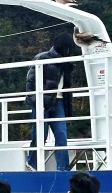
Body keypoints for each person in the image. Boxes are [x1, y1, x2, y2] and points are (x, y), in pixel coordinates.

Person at [25, 31, 78, 172]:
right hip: (43, 101)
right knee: (39, 134)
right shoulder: (42, 58)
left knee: (61, 134)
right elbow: (31, 84)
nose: (68, 51)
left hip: (60, 101)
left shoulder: (66, 62)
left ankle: (63, 168)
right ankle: (33, 163)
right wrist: (38, 102)